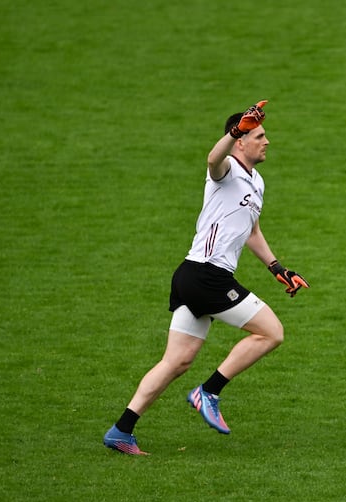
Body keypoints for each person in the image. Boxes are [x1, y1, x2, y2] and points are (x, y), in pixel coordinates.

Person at [104, 100, 309, 454]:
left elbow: (252, 231)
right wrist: (233, 132)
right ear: (241, 141)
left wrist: (278, 268)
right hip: (206, 275)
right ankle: (209, 391)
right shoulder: (226, 168)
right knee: (272, 332)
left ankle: (122, 430)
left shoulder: (256, 181)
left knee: (177, 361)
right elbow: (212, 159)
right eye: (259, 135)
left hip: (192, 276)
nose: (267, 141)